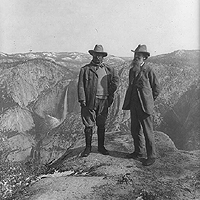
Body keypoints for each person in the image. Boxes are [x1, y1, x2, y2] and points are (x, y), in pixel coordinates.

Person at [78, 44, 119, 157]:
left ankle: (101, 147)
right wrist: (82, 99)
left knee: (101, 124)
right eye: (96, 55)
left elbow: (115, 81)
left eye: (100, 56)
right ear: (93, 55)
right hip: (90, 101)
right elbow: (81, 85)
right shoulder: (85, 70)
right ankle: (88, 148)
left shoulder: (109, 70)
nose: (97, 58)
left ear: (103, 57)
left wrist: (112, 90)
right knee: (88, 125)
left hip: (104, 101)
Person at [122, 44, 160, 166]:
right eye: (136, 55)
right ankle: (138, 152)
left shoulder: (149, 70)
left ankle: (151, 156)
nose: (137, 57)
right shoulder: (132, 70)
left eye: (139, 55)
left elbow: (156, 88)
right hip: (134, 105)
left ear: (144, 58)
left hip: (145, 106)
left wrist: (149, 100)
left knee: (148, 131)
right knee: (135, 130)